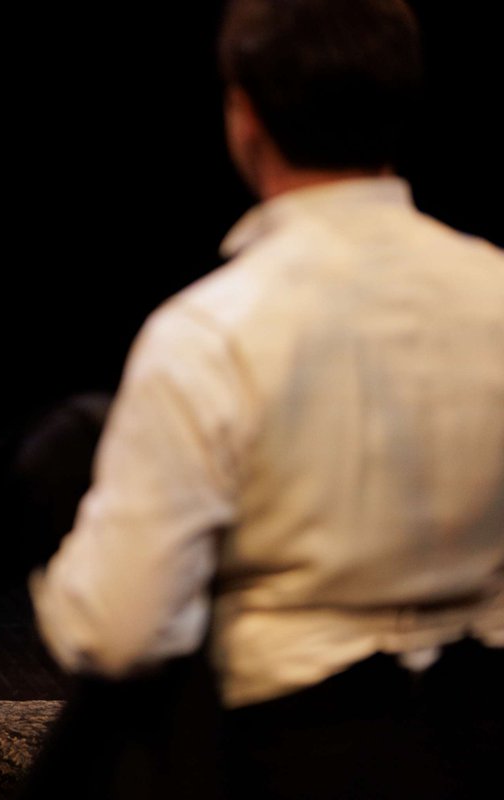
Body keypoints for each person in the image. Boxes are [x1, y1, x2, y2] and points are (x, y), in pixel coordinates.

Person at [25, 1, 504, 797]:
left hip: (288, 758)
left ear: (245, 115)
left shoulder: (210, 333)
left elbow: (115, 631)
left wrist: (53, 544)